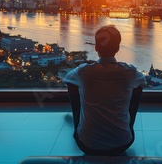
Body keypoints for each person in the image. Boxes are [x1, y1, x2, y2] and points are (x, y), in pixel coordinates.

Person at [63, 25, 147, 156]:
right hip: (122, 144)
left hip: (87, 145)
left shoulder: (84, 71)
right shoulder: (129, 72)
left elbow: (68, 80)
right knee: (138, 87)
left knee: (73, 84)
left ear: (96, 47)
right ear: (118, 48)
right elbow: (142, 82)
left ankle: (77, 124)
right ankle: (129, 125)